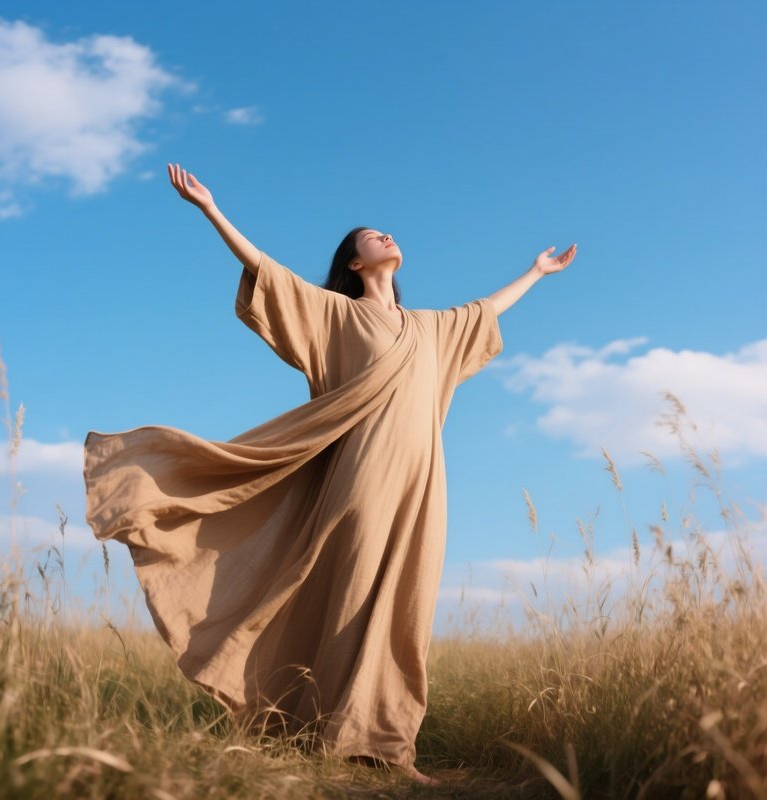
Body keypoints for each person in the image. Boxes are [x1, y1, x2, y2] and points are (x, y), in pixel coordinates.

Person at [82, 163, 577, 787]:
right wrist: (211, 210)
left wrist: (536, 272)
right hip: (363, 476)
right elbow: (268, 272)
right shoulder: (337, 314)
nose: (387, 236)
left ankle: (387, 745)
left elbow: (484, 311)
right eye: (372, 236)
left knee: (407, 604)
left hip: (424, 483)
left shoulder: (431, 327)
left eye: (387, 232)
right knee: (355, 589)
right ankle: (338, 734)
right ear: (354, 263)